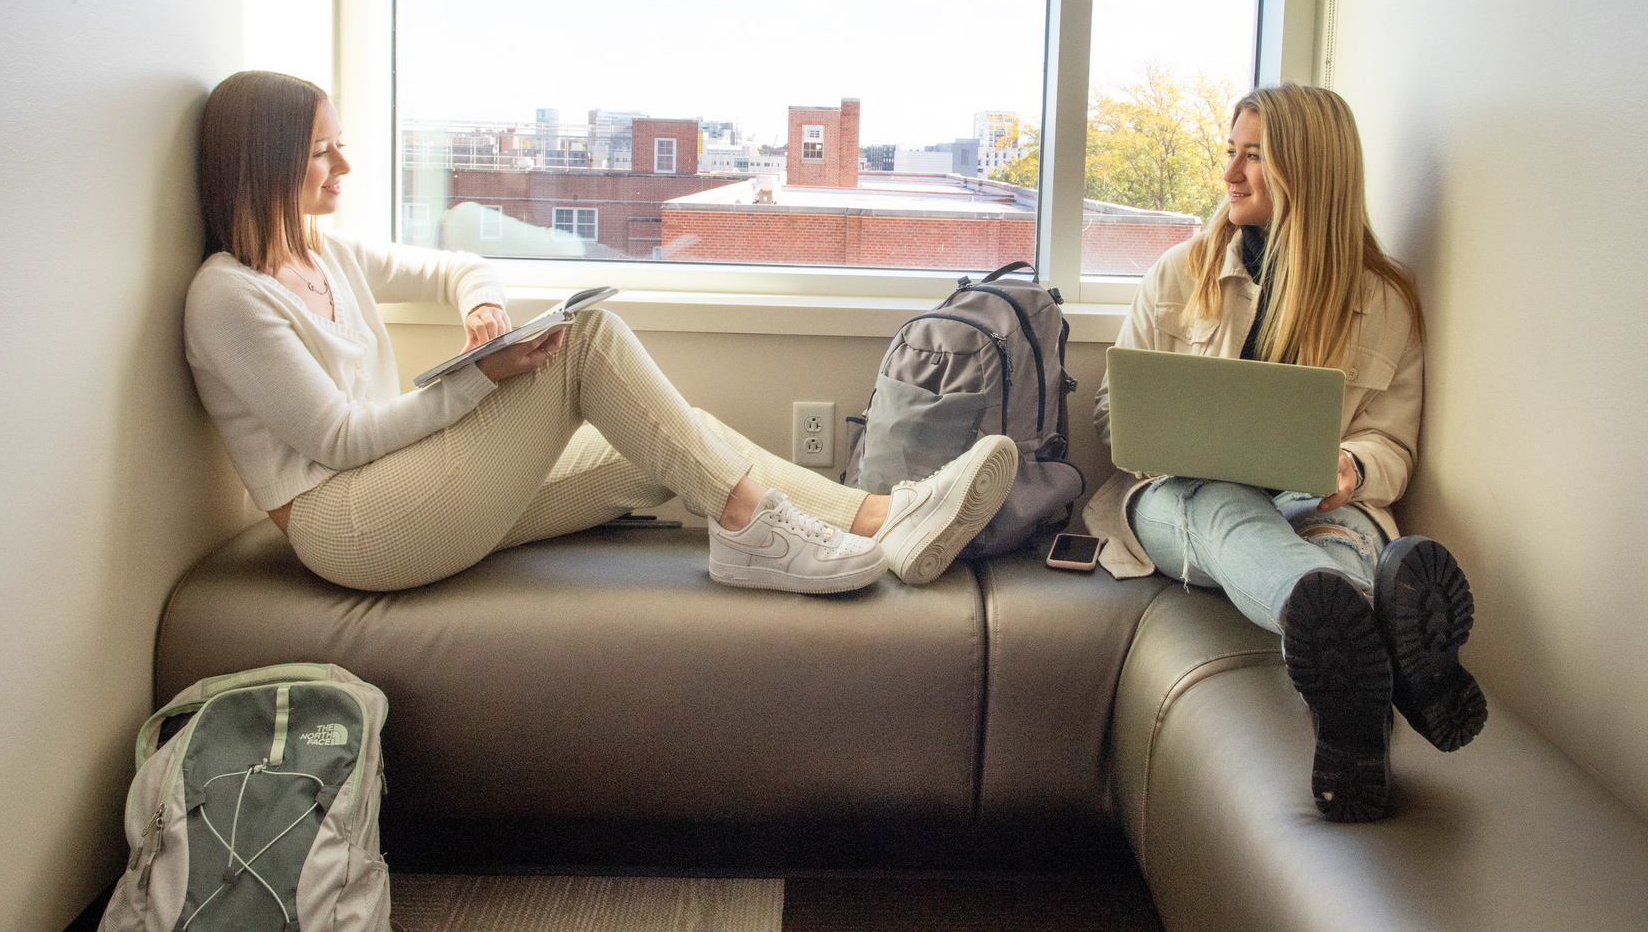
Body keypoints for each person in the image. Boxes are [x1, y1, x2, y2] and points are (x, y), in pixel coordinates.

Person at [183, 71, 1017, 595]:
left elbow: (458, 267)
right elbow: (337, 439)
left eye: (341, 146)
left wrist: (481, 309)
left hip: (406, 489)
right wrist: (483, 377)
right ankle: (749, 530)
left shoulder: (325, 251)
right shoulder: (227, 297)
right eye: (323, 152)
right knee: (584, 339)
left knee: (668, 438)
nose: (344, 167)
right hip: (351, 528)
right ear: (265, 161)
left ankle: (881, 518)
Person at [1081, 84, 1484, 823]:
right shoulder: (1180, 273)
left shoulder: (1384, 302)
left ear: (1310, 170)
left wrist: (1352, 467)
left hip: (1314, 505)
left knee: (1351, 537)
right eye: (1229, 153)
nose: (1229, 174)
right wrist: (1161, 438)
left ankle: (1352, 730)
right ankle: (1392, 651)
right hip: (1183, 499)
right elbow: (1114, 411)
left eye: (1254, 157)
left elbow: (1392, 447)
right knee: (1226, 505)